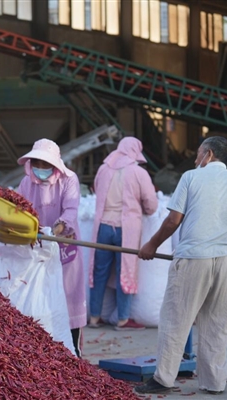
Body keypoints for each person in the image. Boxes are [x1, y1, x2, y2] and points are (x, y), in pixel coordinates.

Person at [135, 136, 227, 395]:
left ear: (208, 155)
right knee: (216, 324)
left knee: (176, 320)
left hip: (193, 260)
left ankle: (163, 379)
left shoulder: (191, 177)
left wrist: (151, 245)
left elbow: (173, 220)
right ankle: (214, 382)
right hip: (223, 264)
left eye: (198, 154)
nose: (196, 159)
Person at [17, 138, 86, 358]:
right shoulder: (27, 183)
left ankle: (73, 352)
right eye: (38, 163)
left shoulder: (69, 180)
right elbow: (19, 209)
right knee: (39, 298)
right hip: (37, 248)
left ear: (55, 164)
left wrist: (56, 229)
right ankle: (41, 352)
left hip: (65, 246)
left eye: (46, 164)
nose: (42, 169)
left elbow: (71, 209)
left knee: (69, 296)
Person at [87, 137, 158, 331]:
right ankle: (123, 319)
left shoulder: (103, 169)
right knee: (125, 271)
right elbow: (151, 204)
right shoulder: (138, 172)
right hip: (127, 230)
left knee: (99, 271)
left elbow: (95, 189)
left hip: (102, 227)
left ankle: (94, 317)